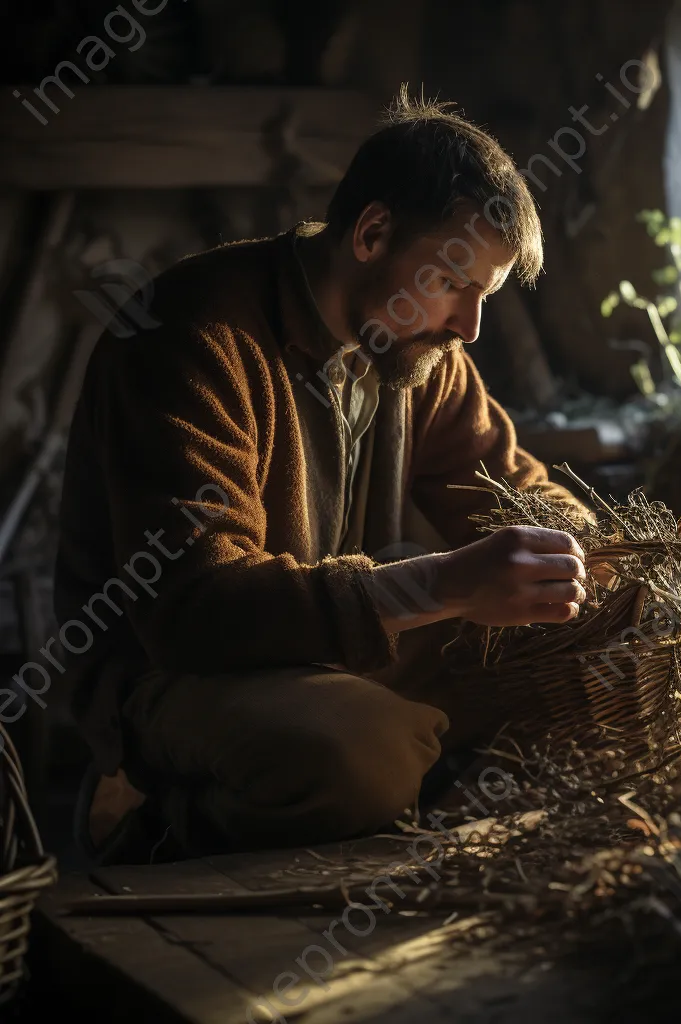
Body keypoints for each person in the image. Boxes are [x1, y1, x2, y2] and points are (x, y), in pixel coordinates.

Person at [55, 86, 593, 865]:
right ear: (372, 233)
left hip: (324, 649)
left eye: (487, 296)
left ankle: (387, 789)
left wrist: (611, 557)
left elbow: (512, 488)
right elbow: (192, 612)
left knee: (575, 676)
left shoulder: (420, 350)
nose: (469, 328)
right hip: (173, 668)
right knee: (360, 756)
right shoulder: (193, 337)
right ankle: (143, 811)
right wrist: (439, 585)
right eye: (454, 284)